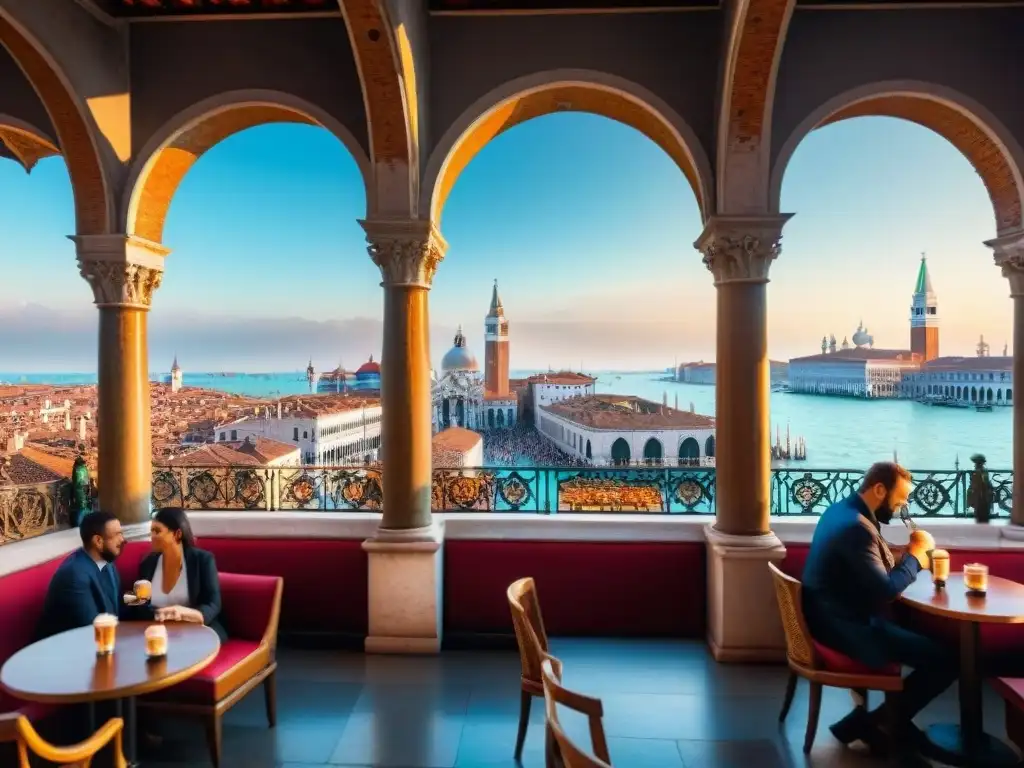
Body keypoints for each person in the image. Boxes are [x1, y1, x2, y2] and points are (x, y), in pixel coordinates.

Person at [801, 462, 950, 758]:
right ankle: (878, 724)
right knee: (946, 659)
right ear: (880, 489)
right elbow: (886, 591)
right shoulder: (857, 527)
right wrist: (917, 558)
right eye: (902, 497)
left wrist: (904, 553)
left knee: (931, 646)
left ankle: (877, 724)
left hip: (829, 618)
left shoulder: (841, 511)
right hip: (847, 630)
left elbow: (868, 560)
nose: (903, 506)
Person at [131, 507, 226, 641]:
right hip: (159, 632)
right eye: (151, 531)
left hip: (197, 631)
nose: (152, 536)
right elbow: (140, 603)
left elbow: (213, 604)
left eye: (157, 531)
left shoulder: (202, 560)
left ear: (177, 534)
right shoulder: (148, 563)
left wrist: (183, 614)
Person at [35, 511, 125, 640]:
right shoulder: (74, 576)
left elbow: (117, 609)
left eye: (121, 533)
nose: (122, 539)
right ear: (98, 541)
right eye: (116, 535)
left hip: (97, 643)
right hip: (61, 651)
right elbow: (90, 629)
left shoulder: (107, 563)